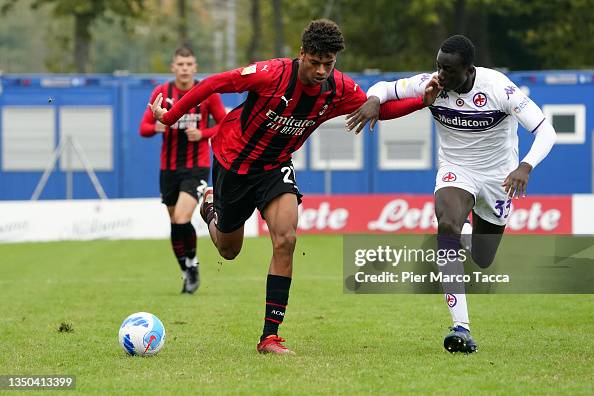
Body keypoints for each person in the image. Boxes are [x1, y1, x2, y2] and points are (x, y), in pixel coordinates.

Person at [150, 19, 439, 354]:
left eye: (327, 64)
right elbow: (215, 83)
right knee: (228, 250)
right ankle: (211, 210)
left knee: (286, 239)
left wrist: (423, 101)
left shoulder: (338, 88)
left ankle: (269, 336)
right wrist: (170, 117)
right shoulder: (270, 74)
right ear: (301, 54)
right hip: (234, 164)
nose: (320, 71)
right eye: (314, 62)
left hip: (275, 167)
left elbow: (378, 109)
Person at [346, 34, 556, 353]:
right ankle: (461, 326)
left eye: (449, 70)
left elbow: (545, 130)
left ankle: (469, 234)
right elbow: (386, 88)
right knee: (446, 226)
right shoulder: (432, 84)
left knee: (484, 258)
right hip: (456, 169)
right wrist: (374, 100)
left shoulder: (500, 88)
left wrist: (525, 167)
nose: (440, 76)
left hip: (499, 178)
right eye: (438, 67)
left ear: (468, 69)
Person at [140, 47, 227, 294]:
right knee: (174, 223)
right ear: (173, 67)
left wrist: (203, 134)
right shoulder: (162, 93)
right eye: (180, 64)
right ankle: (187, 269)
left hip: (196, 167)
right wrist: (160, 125)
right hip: (168, 169)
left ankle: (193, 266)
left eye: (189, 64)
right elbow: (143, 128)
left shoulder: (207, 94)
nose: (185, 68)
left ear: (195, 67)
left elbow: (223, 124)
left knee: (181, 217)